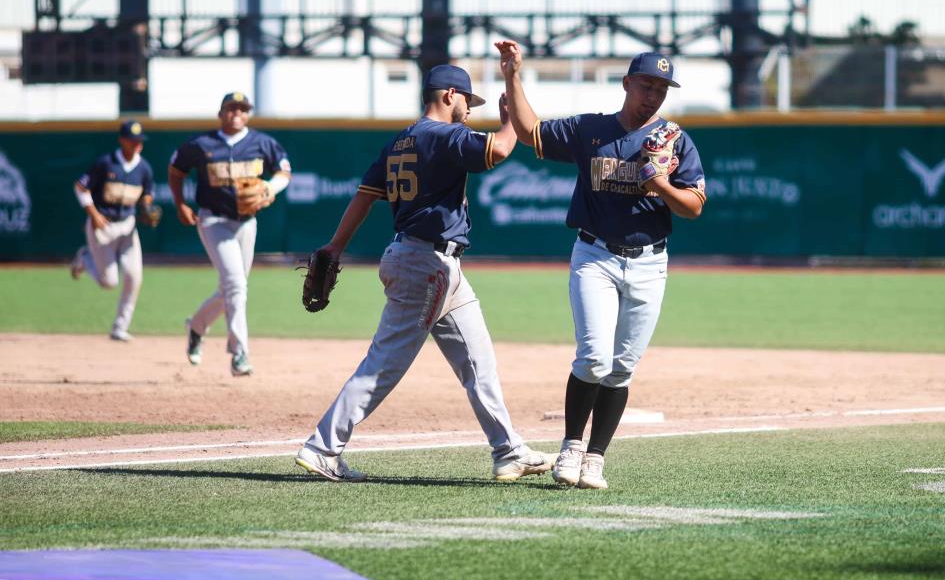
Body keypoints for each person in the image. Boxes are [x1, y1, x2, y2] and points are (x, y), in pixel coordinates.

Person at [294, 63, 552, 483]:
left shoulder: (400, 141)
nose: (469, 110)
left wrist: (335, 245)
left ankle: (508, 450)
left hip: (433, 264)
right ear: (450, 95)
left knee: (478, 361)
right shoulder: (446, 135)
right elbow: (500, 150)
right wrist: (509, 122)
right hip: (426, 264)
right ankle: (322, 447)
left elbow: (363, 198)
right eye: (468, 100)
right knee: (385, 362)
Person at [497, 40, 706, 490]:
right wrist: (513, 74)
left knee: (622, 367)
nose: (653, 95)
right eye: (646, 84)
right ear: (627, 83)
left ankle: (596, 458)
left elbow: (693, 206)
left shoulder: (673, 140)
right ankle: (571, 446)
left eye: (662, 88)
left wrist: (662, 184)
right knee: (593, 358)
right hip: (596, 256)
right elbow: (530, 130)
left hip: (651, 262)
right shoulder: (591, 130)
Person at [168, 92, 292, 377]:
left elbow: (284, 172)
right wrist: (179, 204)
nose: (237, 112)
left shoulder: (262, 142)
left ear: (248, 113)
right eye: (231, 108)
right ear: (221, 113)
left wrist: (270, 188)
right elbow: (176, 170)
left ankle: (196, 326)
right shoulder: (202, 144)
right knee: (236, 285)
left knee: (232, 289)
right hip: (213, 220)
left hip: (247, 223)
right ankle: (239, 353)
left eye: (242, 108)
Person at [69, 120, 157, 342]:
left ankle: (120, 326)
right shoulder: (106, 163)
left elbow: (147, 192)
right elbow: (81, 187)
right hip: (103, 226)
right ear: (122, 140)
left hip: (127, 226)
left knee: (134, 277)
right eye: (133, 140)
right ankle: (84, 258)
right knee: (109, 282)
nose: (137, 144)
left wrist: (147, 206)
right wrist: (94, 215)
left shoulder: (144, 167)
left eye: (140, 141)